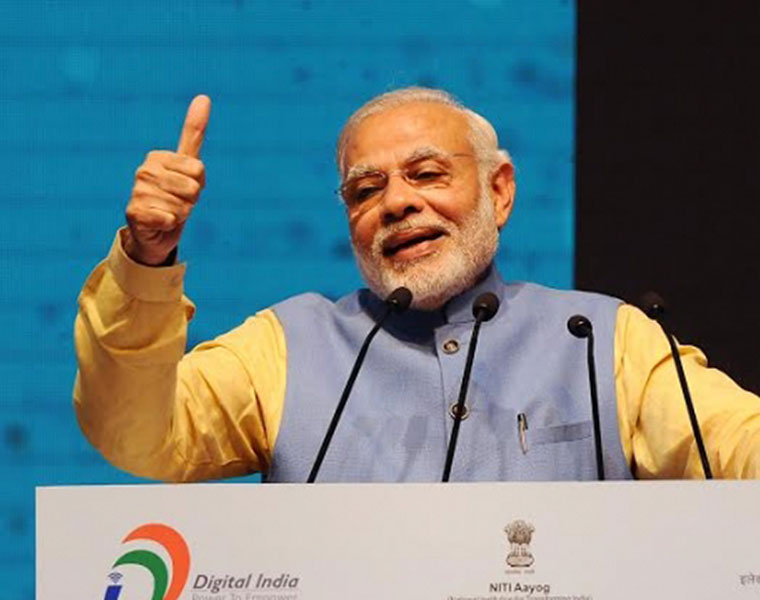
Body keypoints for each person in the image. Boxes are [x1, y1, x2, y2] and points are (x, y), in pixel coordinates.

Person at [74, 87, 760, 483]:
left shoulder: (602, 342)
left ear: (500, 191)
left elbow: (738, 444)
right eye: (365, 189)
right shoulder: (285, 349)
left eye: (427, 174)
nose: (397, 203)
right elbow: (137, 436)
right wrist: (145, 257)